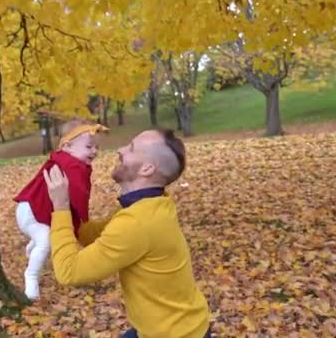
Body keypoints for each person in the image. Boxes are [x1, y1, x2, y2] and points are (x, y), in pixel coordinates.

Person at [43, 129, 211, 337]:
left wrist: (60, 207)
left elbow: (69, 271)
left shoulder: (138, 222)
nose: (120, 150)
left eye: (131, 148)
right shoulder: (151, 205)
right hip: (174, 327)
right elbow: (90, 234)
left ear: (147, 168)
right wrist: (71, 199)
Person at [13, 119, 108, 300]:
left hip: (34, 209)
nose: (94, 151)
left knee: (47, 234)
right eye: (89, 147)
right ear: (67, 146)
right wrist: (83, 219)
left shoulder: (68, 161)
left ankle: (34, 243)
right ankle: (31, 276)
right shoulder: (72, 164)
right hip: (32, 211)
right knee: (46, 240)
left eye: (97, 147)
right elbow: (79, 193)